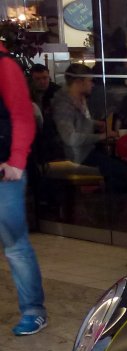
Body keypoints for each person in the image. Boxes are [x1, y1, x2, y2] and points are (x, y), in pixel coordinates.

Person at [0, 43, 47, 335]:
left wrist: (17, 160)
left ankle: (33, 310)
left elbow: (21, 115)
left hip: (5, 169)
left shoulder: (4, 65)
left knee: (14, 244)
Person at [50, 63, 127, 192]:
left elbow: (78, 122)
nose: (92, 84)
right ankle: (102, 198)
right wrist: (101, 136)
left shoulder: (79, 99)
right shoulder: (63, 106)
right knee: (121, 172)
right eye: (90, 80)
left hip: (85, 151)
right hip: (76, 157)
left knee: (124, 166)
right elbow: (70, 138)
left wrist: (95, 124)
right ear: (78, 82)